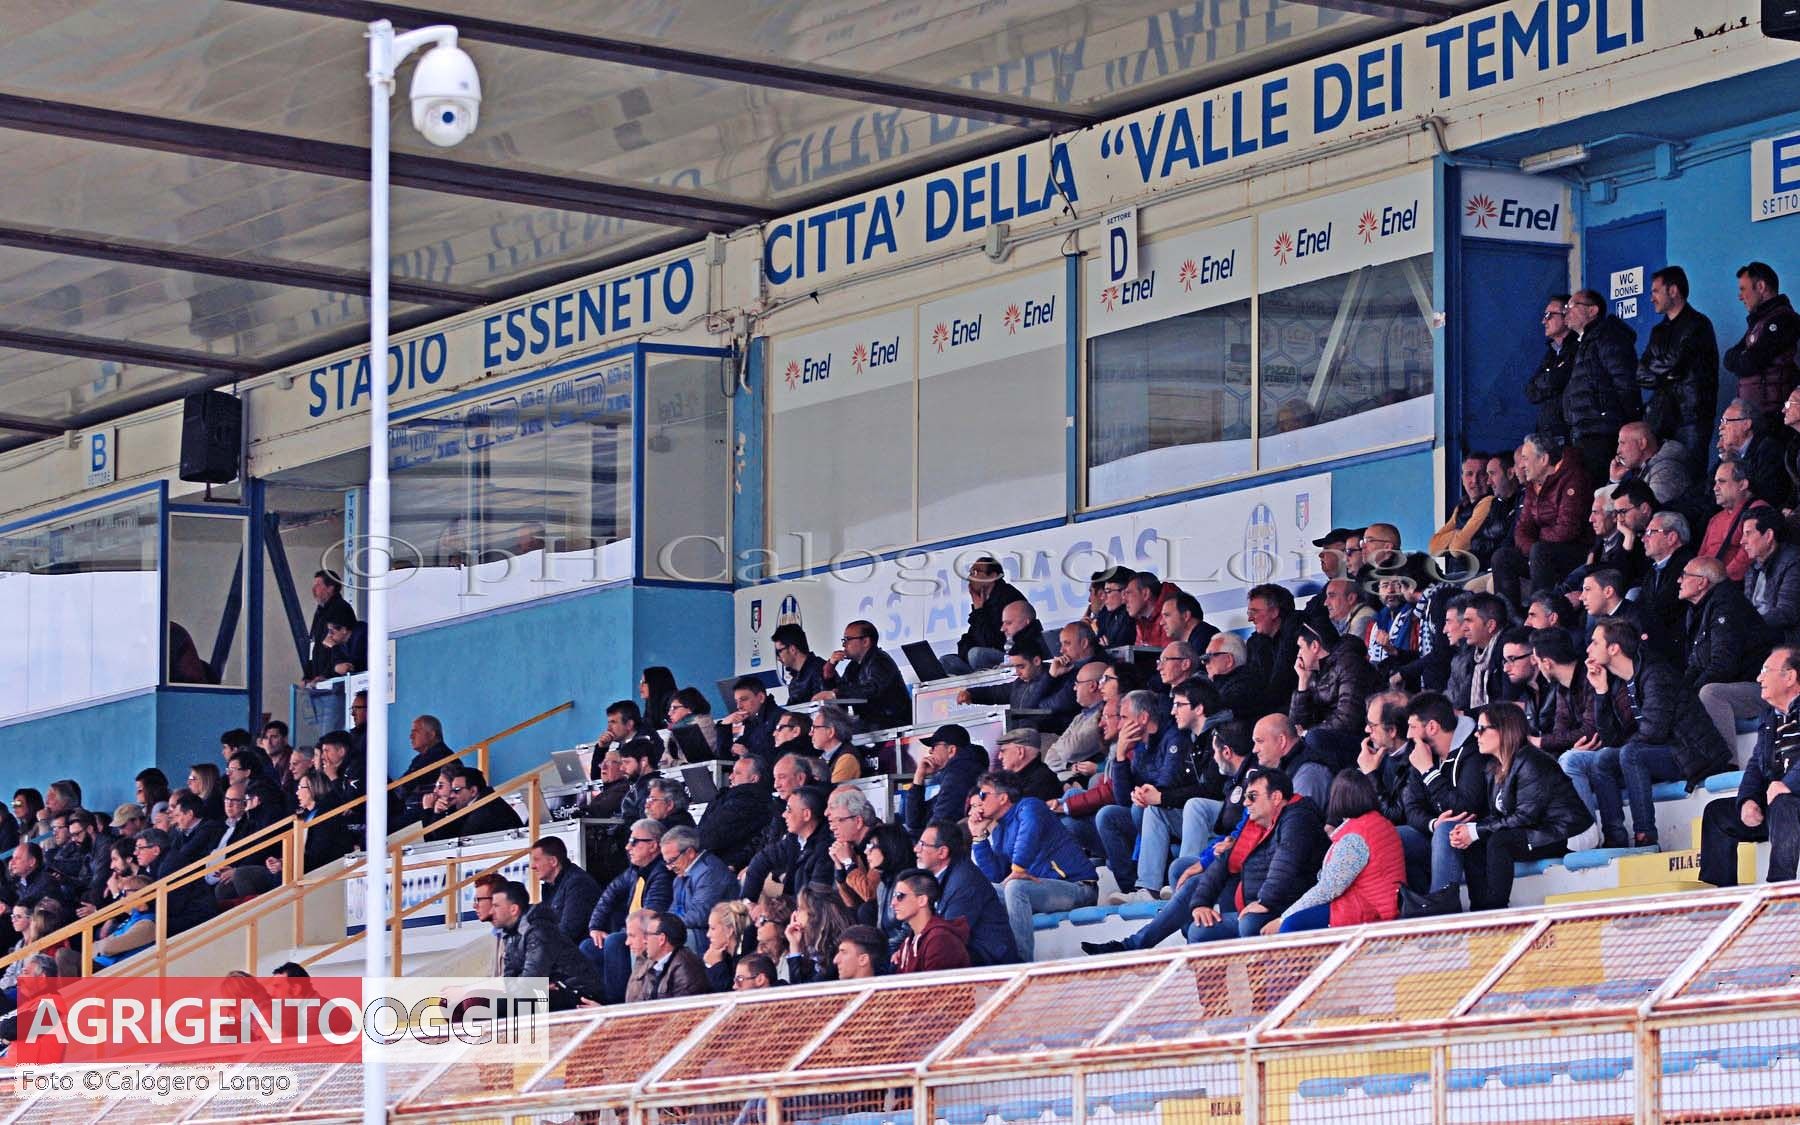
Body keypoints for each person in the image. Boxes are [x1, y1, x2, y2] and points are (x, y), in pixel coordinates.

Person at [1564, 617, 1731, 848]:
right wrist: (1601, 691)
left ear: (1613, 648)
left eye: (1595, 642)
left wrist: (1624, 748)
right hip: (1667, 751)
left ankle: (1645, 834)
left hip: (1693, 753)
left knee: (1631, 754)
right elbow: (1611, 739)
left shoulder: (1655, 673)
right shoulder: (1619, 681)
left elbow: (1654, 732)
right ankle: (1615, 836)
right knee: (1602, 759)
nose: (1588, 649)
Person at [1449, 703, 1596, 910]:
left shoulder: (1532, 761)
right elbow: (1499, 816)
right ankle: (1479, 910)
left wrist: (1477, 831)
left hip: (1572, 832)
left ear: (1504, 730)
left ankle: (1496, 910)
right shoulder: (1494, 767)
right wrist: (1470, 831)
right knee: (1474, 843)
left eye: (1482, 729)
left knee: (1499, 842)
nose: (1476, 735)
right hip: (1540, 829)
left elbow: (1525, 817)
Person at [1176, 767, 1328, 943]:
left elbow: (1285, 863)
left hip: (1290, 908)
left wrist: (1265, 901)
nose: (1246, 803)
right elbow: (1223, 862)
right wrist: (1201, 903)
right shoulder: (1257, 823)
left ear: (1276, 797)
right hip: (1261, 902)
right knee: (1201, 925)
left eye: (1252, 796)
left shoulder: (1298, 818)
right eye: (1245, 797)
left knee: (1248, 923)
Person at [969, 770, 1097, 961]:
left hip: (1079, 888)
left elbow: (1027, 836)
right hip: (1042, 891)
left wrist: (1017, 869)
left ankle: (1020, 961)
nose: (979, 802)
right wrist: (979, 837)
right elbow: (995, 875)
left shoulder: (1030, 806)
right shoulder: (1000, 829)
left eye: (983, 795)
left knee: (1016, 887)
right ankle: (979, 960)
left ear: (1003, 797)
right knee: (980, 890)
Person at [1699, 648, 1800, 886]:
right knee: (1717, 814)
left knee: (1783, 802)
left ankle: (1778, 890)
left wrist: (1787, 785)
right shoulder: (1770, 717)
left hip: (1790, 801)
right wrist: (1747, 799)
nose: (1759, 678)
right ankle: (1719, 897)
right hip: (1778, 804)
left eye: (1766, 670)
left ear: (1790, 677)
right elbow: (1756, 764)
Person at [1098, 689, 1205, 900]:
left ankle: (1154, 886)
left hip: (1177, 813)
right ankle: (1132, 889)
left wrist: (1143, 794)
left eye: (1124, 718)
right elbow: (1122, 799)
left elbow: (1167, 785)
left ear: (1143, 718)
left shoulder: (1174, 738)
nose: (1119, 725)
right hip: (1148, 811)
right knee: (1107, 815)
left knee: (1142, 809)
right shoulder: (1141, 746)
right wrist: (1120, 756)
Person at [1267, 770, 1406, 933]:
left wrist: (1283, 918)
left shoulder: (1356, 836)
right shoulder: (1381, 823)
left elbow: (1329, 888)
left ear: (1337, 799)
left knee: (1292, 925)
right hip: (1381, 905)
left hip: (1369, 911)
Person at [1493, 433, 1593, 613]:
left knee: (1540, 551)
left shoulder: (1574, 478)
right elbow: (1522, 528)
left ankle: (1540, 613)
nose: (1521, 465)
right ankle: (1510, 616)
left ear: (1544, 459)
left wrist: (1536, 545)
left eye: (1525, 458)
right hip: (1541, 551)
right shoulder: (1533, 485)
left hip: (1575, 551)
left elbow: (1567, 529)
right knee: (1502, 557)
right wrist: (1531, 549)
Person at [1637, 266, 1719, 476]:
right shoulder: (1658, 331)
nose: (1651, 298)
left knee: (1690, 477)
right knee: (1660, 476)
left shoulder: (1698, 325)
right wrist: (1667, 372)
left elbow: (1677, 365)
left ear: (1673, 290)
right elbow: (1640, 373)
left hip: (1692, 417)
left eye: (1656, 291)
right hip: (1662, 417)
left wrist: (1660, 370)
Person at [581, 819, 672, 1004]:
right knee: (589, 946)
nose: (627, 847)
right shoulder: (635, 871)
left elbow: (651, 915)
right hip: (631, 931)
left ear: (653, 845)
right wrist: (595, 926)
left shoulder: (662, 873)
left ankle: (616, 1005)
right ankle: (592, 1001)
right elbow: (610, 894)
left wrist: (627, 932)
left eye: (634, 842)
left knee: (614, 941)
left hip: (648, 933)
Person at [1561, 288, 1641, 482]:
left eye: (1572, 306)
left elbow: (1625, 381)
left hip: (1603, 434)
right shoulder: (1585, 342)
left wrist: (1621, 421)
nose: (1566, 312)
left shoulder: (1607, 336)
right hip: (1585, 433)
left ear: (1593, 310)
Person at [913, 819, 1017, 965]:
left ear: (942, 852)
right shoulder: (940, 876)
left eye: (922, 845)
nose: (916, 849)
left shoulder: (964, 882)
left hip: (992, 961)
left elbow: (947, 936)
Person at [1358, 691, 1433, 891]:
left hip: (1420, 835)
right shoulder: (1379, 754)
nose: (1366, 730)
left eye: (1372, 725)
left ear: (1391, 730)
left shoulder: (1415, 757)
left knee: (1375, 838)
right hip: (1400, 840)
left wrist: (1371, 775)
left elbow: (1396, 816)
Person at [1290, 619, 1384, 769]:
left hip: (1363, 741)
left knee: (1313, 739)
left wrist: (1307, 733)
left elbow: (1348, 720)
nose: (1298, 654)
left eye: (1300, 647)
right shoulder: (1313, 672)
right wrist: (1303, 682)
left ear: (1314, 646)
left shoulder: (1350, 664)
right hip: (1331, 737)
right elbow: (1297, 724)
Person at [1680, 557, 1764, 704]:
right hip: (1727, 682)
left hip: (1752, 685)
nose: (1679, 580)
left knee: (1708, 693)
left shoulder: (1727, 605)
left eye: (1684, 575)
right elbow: (1696, 663)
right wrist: (1680, 692)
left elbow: (1723, 665)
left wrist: (1689, 697)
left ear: (1702, 582)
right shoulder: (1698, 608)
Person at [1723, 261, 1800, 420]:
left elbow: (1751, 362)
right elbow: (1729, 358)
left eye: (1743, 289)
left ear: (1761, 287)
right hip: (1759, 416)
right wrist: (1741, 358)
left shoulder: (1783, 320)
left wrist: (1742, 358)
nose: (1740, 297)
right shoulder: (1760, 322)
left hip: (1776, 419)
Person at [739, 787, 834, 898]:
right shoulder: (794, 839)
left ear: (806, 815)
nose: (784, 815)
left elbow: (816, 899)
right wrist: (748, 902)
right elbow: (762, 859)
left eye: (789, 810)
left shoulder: (825, 850)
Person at [821, 620, 910, 731]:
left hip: (892, 724)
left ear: (865, 641)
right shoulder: (853, 666)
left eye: (847, 640)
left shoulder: (880, 660)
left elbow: (872, 689)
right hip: (871, 725)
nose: (844, 645)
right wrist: (829, 669)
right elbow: (841, 691)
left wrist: (836, 694)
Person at [904, 724, 989, 836]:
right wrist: (919, 777)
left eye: (934, 746)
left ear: (951, 750)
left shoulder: (960, 774)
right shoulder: (955, 773)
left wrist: (922, 843)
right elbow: (914, 822)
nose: (930, 751)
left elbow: (938, 826)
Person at [948, 556, 1026, 674]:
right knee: (947, 661)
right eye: (970, 572)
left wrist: (979, 611)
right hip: (987, 656)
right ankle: (975, 681)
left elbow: (991, 642)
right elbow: (970, 639)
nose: (970, 577)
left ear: (993, 576)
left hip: (1011, 657)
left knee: (976, 655)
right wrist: (979, 609)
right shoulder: (983, 600)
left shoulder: (1008, 598)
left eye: (976, 572)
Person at [662, 826, 733, 954]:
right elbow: (674, 910)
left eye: (672, 860)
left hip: (709, 935)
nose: (669, 867)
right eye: (666, 862)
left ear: (690, 852)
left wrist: (667, 926)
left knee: (661, 941)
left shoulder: (709, 871)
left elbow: (700, 915)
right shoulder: (680, 876)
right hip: (689, 930)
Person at [1530, 627, 1599, 758]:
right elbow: (1560, 729)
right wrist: (1570, 748)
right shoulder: (1561, 686)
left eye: (1538, 662)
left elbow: (1590, 730)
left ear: (1547, 663)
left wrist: (1540, 742)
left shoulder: (1592, 676)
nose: (1538, 667)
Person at [1713, 397, 1791, 511]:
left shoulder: (1769, 450)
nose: (1721, 427)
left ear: (1746, 424)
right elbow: (1708, 492)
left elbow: (1768, 496)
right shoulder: (1728, 455)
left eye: (1725, 421)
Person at [699, 756, 774, 871]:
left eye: (737, 773)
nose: (730, 777)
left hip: (723, 867)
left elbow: (712, 837)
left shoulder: (747, 801)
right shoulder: (730, 798)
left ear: (754, 779)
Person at [890, 869, 970, 973]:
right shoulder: (909, 942)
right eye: (893, 896)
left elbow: (936, 983)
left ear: (922, 900)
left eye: (899, 896)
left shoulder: (940, 940)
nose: (893, 903)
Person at [1429, 454, 1499, 567]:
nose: (1474, 480)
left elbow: (1458, 548)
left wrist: (1452, 539)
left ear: (1489, 477)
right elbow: (1433, 548)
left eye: (1481, 474)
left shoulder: (1489, 501)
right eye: (1469, 474)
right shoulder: (1462, 507)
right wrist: (1456, 533)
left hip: (1480, 571)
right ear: (1462, 479)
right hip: (1460, 572)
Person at [625, 911, 708, 1003]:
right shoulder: (652, 963)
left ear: (662, 939)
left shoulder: (685, 968)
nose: (644, 941)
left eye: (647, 935)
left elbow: (682, 1009)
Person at [1742, 509, 1800, 642]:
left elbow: (1787, 613)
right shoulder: (1753, 566)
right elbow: (1746, 608)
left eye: (1748, 534)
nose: (1742, 541)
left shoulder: (1794, 562)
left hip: (1785, 639)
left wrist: (1746, 625)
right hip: (1758, 632)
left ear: (1768, 535)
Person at [1245, 582, 1303, 714]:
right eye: (1249, 612)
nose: (1250, 618)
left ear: (1274, 612)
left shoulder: (1301, 634)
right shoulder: (1254, 643)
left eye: (1254, 612)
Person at [531, 836, 600, 947]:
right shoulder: (551, 888)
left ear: (553, 861)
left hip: (578, 953)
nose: (532, 866)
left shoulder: (578, 883)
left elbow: (568, 930)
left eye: (536, 860)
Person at [1526, 292, 1576, 444]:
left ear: (1566, 316)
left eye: (1549, 315)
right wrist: (1552, 382)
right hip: (1547, 433)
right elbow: (1531, 391)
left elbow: (1560, 379)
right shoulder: (1551, 353)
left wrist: (1548, 382)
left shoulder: (1578, 347)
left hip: (1568, 433)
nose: (1544, 321)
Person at [304, 570, 355, 684]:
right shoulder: (319, 612)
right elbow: (314, 645)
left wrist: (326, 675)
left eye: (318, 585)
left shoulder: (340, 609)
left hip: (334, 681)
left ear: (330, 588)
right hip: (319, 680)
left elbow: (336, 646)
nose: (314, 589)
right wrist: (307, 676)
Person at [1202, 632, 1263, 721]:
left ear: (1229, 660)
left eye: (1208, 657)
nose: (1204, 663)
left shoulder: (1243, 689)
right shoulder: (1224, 686)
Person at [722, 677, 783, 766]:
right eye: (736, 701)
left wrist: (749, 755)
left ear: (761, 698)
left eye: (743, 699)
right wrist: (724, 725)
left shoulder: (781, 718)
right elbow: (724, 758)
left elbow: (781, 759)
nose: (739, 706)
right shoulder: (751, 723)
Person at [771, 623, 834, 704]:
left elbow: (824, 707)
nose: (778, 657)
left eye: (779, 651)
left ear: (792, 649)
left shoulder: (818, 670)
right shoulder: (795, 679)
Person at [995, 729, 1063, 803]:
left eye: (1003, 751)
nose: (999, 757)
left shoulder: (1042, 781)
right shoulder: (1017, 778)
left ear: (1020, 752)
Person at [702, 899, 754, 994]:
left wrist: (716, 966)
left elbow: (728, 993)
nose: (708, 934)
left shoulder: (746, 959)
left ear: (729, 931)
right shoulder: (724, 956)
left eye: (713, 928)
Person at [809, 704, 864, 783]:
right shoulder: (825, 758)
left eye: (814, 728)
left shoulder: (846, 759)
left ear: (830, 732)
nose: (810, 733)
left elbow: (832, 789)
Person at [1321, 578, 1377, 646]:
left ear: (1351, 598)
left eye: (1332, 596)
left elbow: (1350, 650)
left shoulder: (1363, 619)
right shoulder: (1341, 618)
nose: (1326, 603)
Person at [639, 666, 678, 733]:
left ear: (655, 683)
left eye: (644, 682)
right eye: (640, 682)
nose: (640, 686)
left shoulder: (674, 701)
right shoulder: (651, 702)